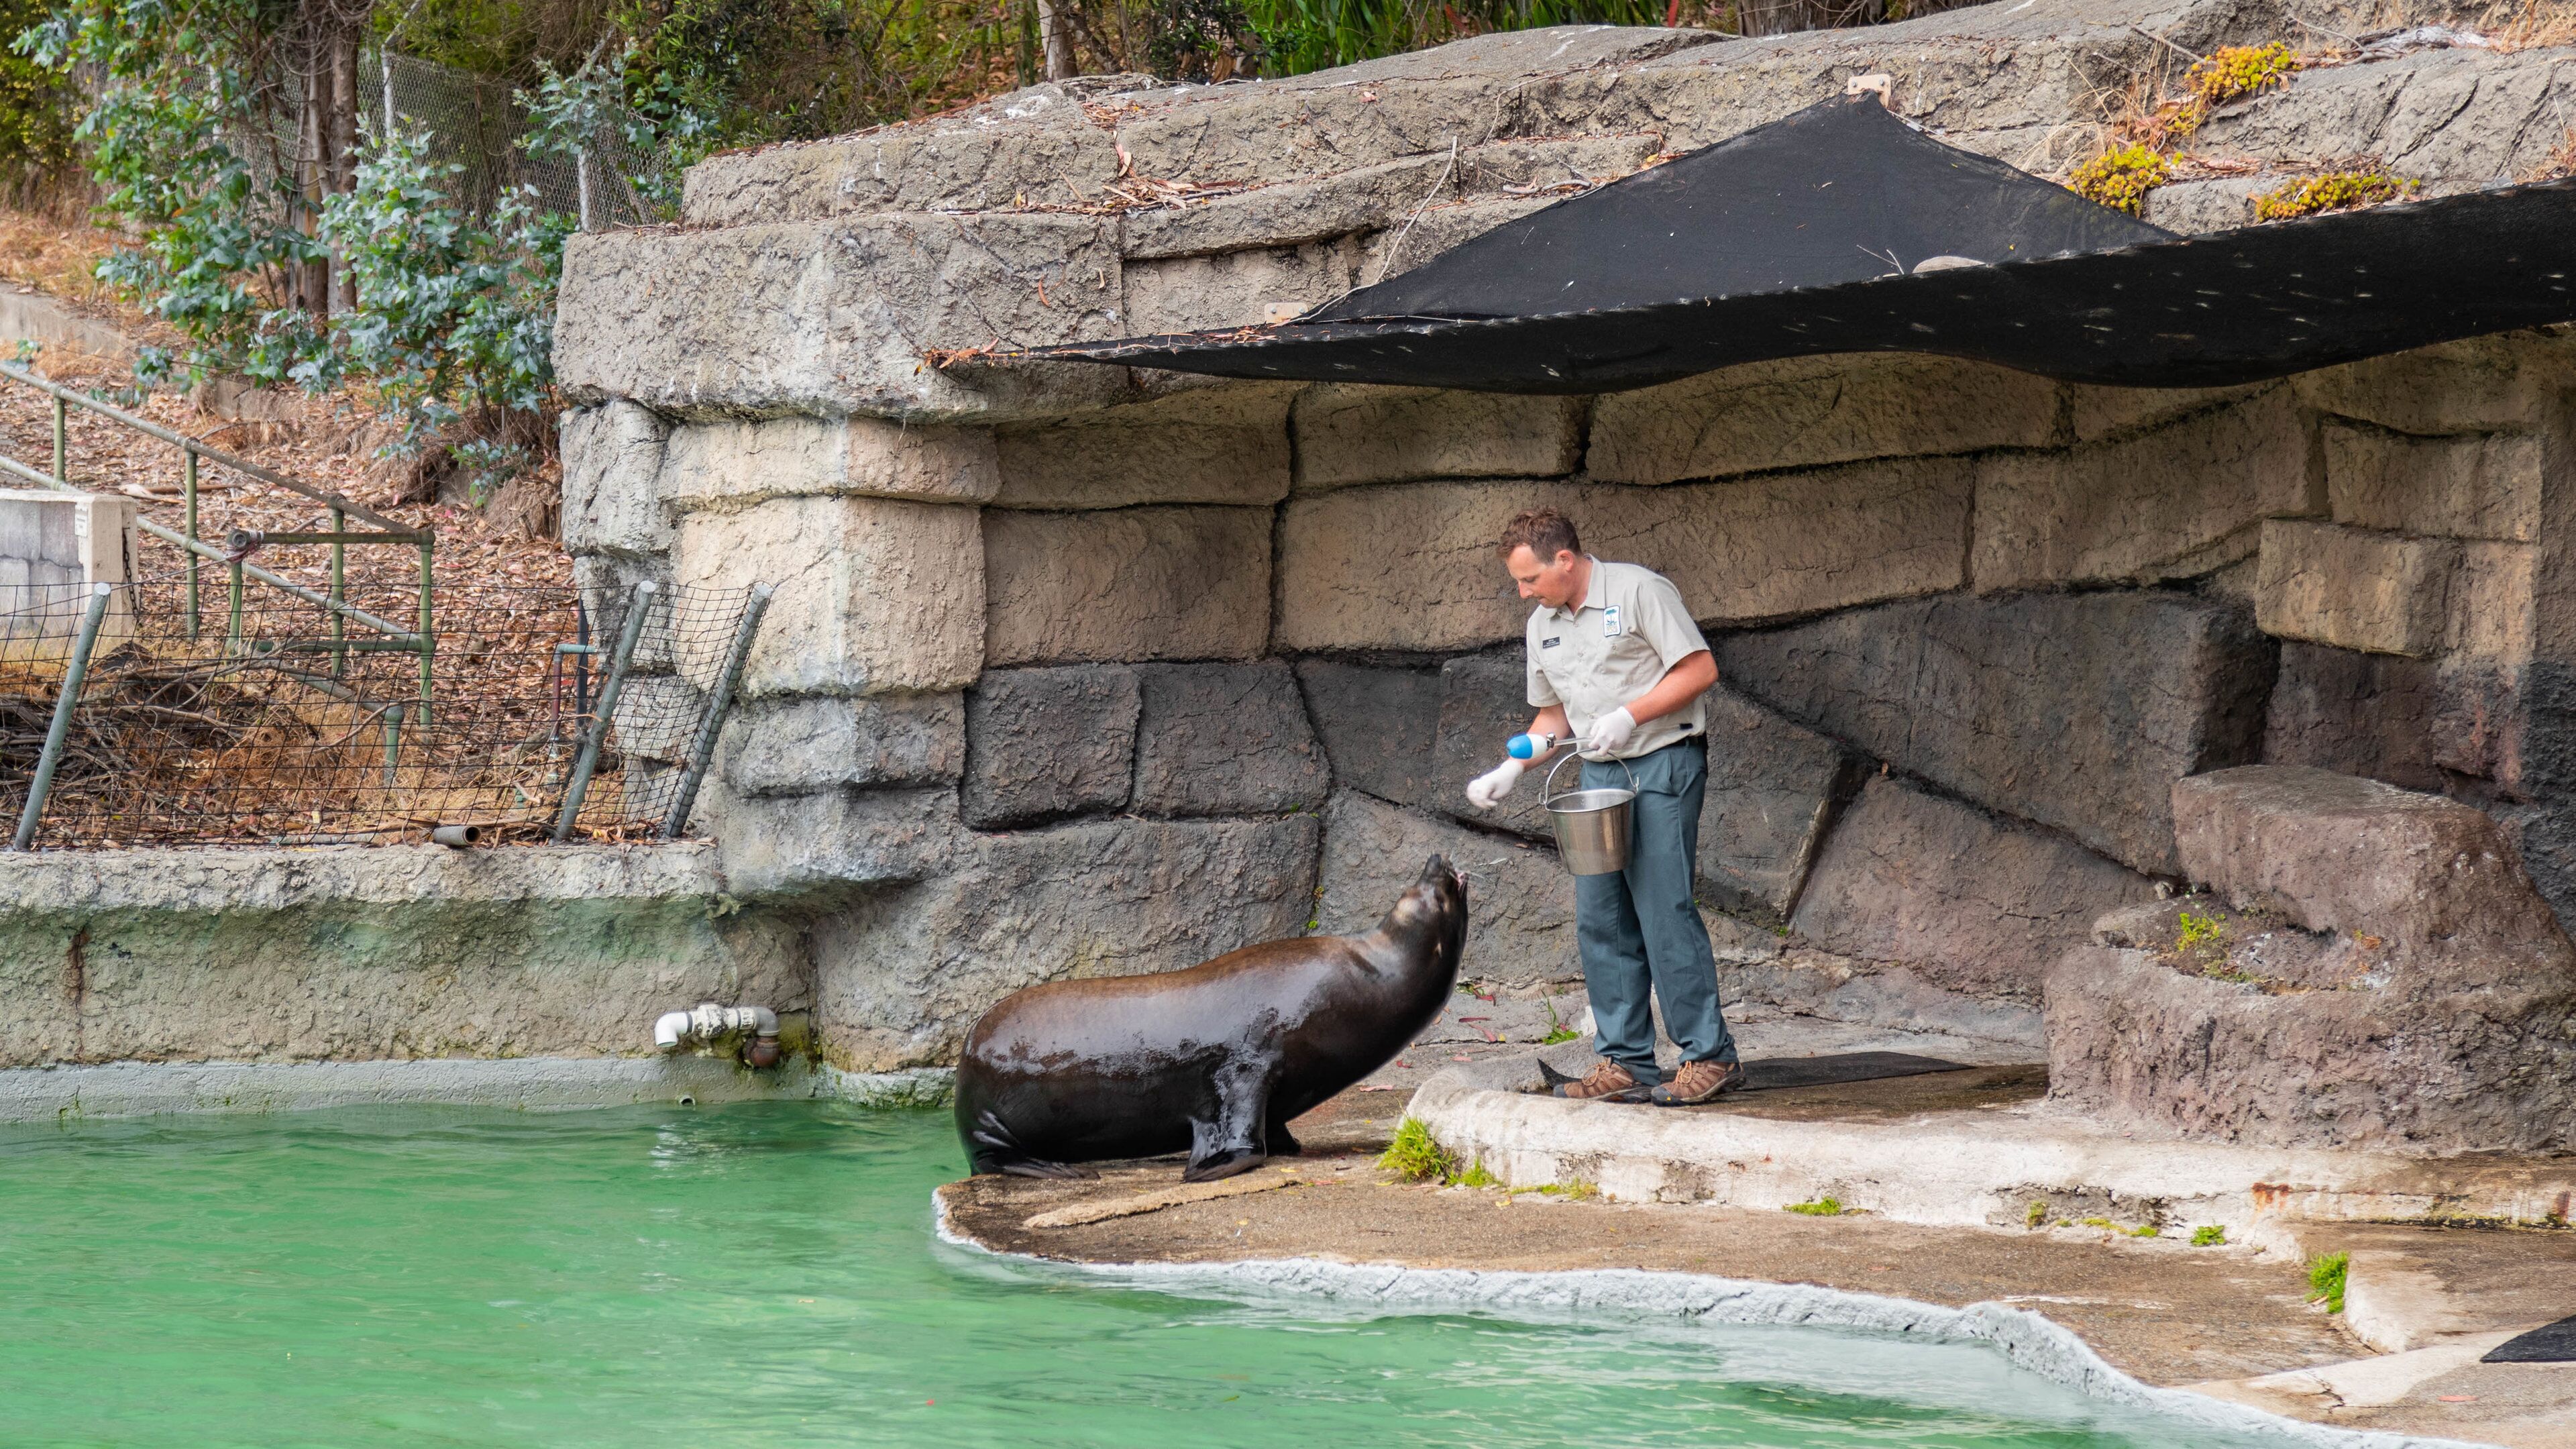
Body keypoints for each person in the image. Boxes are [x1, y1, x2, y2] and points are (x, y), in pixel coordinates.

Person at [1462, 508, 1741, 1106]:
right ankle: (1626, 1061)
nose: (1523, 592)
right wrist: (1511, 767)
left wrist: (1629, 715)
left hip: (1662, 760)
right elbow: (1553, 717)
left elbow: (1700, 668)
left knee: (1663, 910)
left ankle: (1709, 1054)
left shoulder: (1639, 591)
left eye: (1529, 578)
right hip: (1598, 774)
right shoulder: (1543, 625)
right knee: (1602, 917)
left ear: (1564, 560)